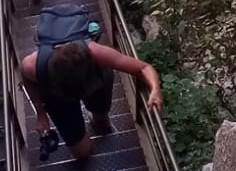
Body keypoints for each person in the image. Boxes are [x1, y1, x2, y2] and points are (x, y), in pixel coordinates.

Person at [21, 37, 161, 161]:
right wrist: (41, 113)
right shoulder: (33, 66)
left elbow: (143, 67)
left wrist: (155, 89)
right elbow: (26, 77)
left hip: (94, 83)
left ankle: (98, 118)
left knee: (101, 120)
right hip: (58, 95)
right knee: (82, 153)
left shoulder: (98, 53)